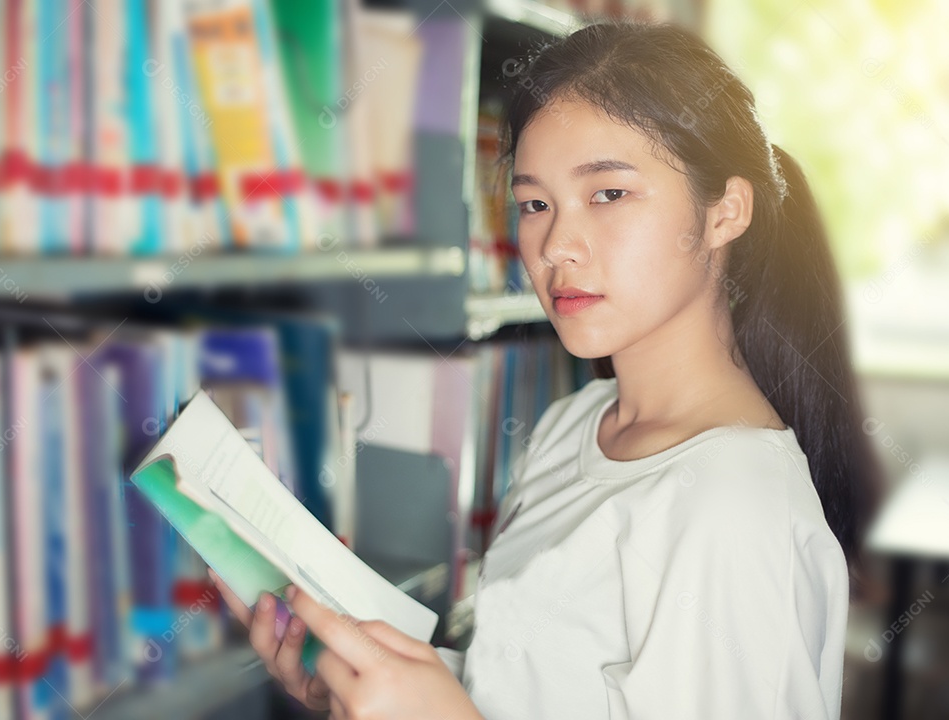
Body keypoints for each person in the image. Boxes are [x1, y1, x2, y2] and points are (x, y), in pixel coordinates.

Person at [210, 17, 882, 720]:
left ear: (724, 212)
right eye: (534, 204)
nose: (557, 244)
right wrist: (360, 684)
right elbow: (530, 681)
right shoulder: (576, 424)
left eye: (609, 194)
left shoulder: (735, 511)